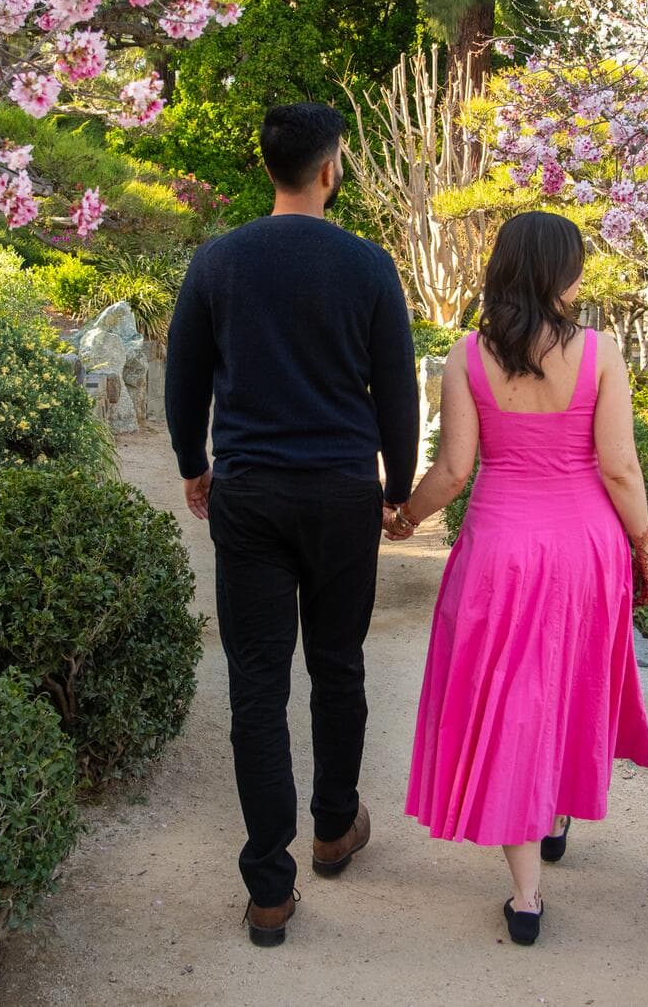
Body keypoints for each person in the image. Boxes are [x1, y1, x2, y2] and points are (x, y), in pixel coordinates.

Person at [164, 101, 419, 948]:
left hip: (252, 494)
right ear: (330, 168)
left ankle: (268, 887)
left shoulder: (220, 260)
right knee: (338, 665)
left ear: (270, 166)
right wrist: (398, 486)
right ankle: (335, 826)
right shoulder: (368, 265)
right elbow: (397, 387)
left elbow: (185, 377)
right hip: (344, 490)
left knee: (257, 685)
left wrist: (193, 465)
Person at [386, 210, 648, 946]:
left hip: (499, 551)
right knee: (568, 683)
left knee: (512, 701)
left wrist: (405, 518)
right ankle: (558, 810)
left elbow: (452, 472)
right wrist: (643, 542)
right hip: (585, 549)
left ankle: (527, 896)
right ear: (558, 274)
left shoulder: (466, 356)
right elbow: (618, 466)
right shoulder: (601, 354)